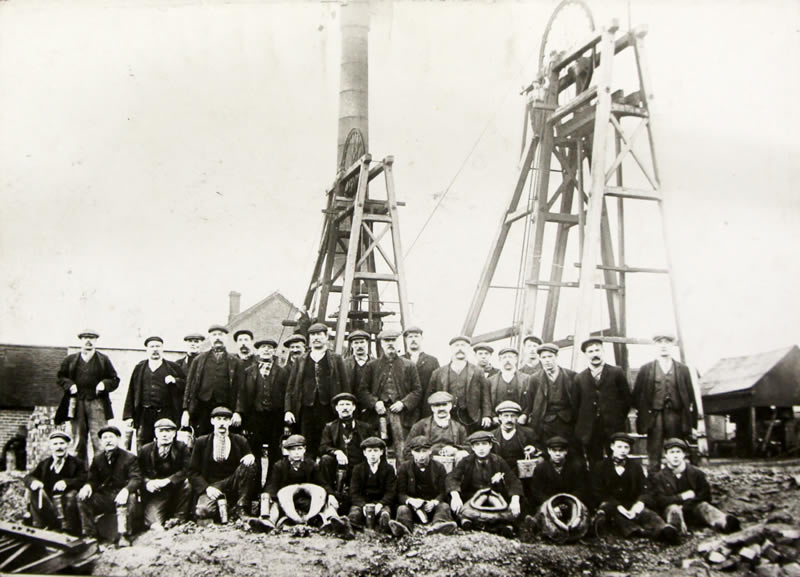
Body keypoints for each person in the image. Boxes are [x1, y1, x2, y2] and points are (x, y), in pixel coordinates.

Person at [258, 435, 353, 538]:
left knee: (326, 502)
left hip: (307, 501)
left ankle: (332, 521)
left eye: (299, 449)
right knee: (273, 503)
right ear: (287, 451)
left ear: (304, 449)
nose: (296, 452)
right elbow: (272, 484)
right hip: (287, 501)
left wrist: (330, 494)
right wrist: (269, 495)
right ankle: (268, 522)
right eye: (293, 450)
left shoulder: (311, 465)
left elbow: (322, 483)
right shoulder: (279, 466)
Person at [591, 432, 679, 543]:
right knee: (616, 516)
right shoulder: (600, 466)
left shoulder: (635, 466)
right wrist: (618, 507)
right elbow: (598, 492)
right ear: (612, 447)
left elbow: (645, 489)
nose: (623, 450)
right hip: (612, 505)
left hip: (631, 503)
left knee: (647, 514)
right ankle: (640, 531)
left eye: (626, 447)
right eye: (619, 447)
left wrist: (639, 503)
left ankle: (664, 529)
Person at [645, 438, 739, 535]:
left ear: (684, 454)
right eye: (672, 452)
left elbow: (705, 495)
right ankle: (674, 530)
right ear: (666, 455)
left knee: (704, 506)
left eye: (678, 452)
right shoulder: (659, 477)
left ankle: (724, 521)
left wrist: (687, 504)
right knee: (673, 509)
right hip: (671, 510)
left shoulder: (696, 473)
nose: (675, 456)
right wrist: (682, 497)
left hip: (693, 509)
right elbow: (660, 500)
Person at [632, 334, 697, 474]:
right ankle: (653, 480)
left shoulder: (682, 369)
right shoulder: (646, 369)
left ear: (672, 345)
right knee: (654, 450)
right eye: (660, 342)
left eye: (667, 342)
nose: (663, 345)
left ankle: (676, 478)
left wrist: (691, 421)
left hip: (675, 415)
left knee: (675, 449)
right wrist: (645, 412)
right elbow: (636, 395)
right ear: (655, 346)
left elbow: (690, 395)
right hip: (654, 416)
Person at [285, 323, 350, 459]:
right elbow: (290, 388)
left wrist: (344, 407)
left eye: (319, 334)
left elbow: (345, 386)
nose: (316, 338)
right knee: (307, 445)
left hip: (329, 409)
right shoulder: (300, 360)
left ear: (326, 337)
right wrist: (288, 410)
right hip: (306, 409)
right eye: (313, 335)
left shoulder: (336, 359)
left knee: (328, 443)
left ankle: (326, 471)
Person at [55, 329, 120, 464]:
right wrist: (69, 385)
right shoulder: (71, 360)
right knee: (78, 440)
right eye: (85, 338)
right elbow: (60, 377)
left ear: (96, 341)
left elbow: (114, 379)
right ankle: (79, 470)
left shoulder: (103, 360)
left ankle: (101, 470)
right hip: (76, 403)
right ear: (81, 340)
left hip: (97, 403)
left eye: (92, 338)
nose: (88, 341)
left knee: (100, 438)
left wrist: (104, 384)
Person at [446, 430, 523, 538]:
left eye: (484, 444)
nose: (481, 448)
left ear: (490, 445)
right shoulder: (466, 461)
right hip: (472, 498)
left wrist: (515, 500)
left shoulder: (498, 461)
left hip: (494, 498)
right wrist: (455, 496)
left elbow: (513, 481)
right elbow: (452, 477)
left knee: (516, 504)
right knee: (456, 505)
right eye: (477, 445)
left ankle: (506, 525)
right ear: (473, 448)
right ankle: (468, 521)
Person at [358, 329, 422, 459]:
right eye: (387, 341)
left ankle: (402, 470)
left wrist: (403, 403)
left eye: (393, 340)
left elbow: (417, 390)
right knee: (378, 449)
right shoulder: (372, 366)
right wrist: (375, 403)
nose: (390, 343)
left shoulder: (409, 365)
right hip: (378, 415)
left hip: (402, 415)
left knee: (402, 450)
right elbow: (362, 390)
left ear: (398, 343)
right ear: (381, 344)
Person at [236, 337, 290, 485]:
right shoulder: (248, 372)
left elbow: (287, 394)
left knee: (275, 452)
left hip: (275, 417)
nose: (266, 350)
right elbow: (242, 394)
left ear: (274, 351)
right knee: (254, 450)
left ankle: (271, 486)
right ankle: (254, 486)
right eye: (263, 347)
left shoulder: (282, 372)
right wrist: (240, 413)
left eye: (269, 347)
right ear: (258, 351)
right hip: (255, 417)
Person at [189, 407, 257, 523]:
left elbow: (249, 467)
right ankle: (225, 507)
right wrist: (207, 488)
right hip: (212, 486)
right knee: (203, 511)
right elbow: (192, 472)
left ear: (230, 422)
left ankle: (241, 507)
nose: (222, 423)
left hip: (233, 483)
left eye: (225, 419)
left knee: (250, 465)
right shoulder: (201, 442)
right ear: (212, 421)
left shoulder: (240, 441)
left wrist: (250, 456)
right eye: (218, 419)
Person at [77, 426, 142, 547]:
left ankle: (124, 535)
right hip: (105, 496)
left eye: (111, 437)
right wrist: (88, 486)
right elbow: (93, 479)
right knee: (82, 498)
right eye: (105, 438)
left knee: (131, 498)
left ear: (118, 439)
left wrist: (126, 490)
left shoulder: (129, 458)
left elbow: (136, 478)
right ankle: (90, 535)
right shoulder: (98, 459)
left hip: (122, 495)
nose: (108, 440)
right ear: (101, 441)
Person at [574, 338, 632, 467]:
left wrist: (617, 417)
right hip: (591, 429)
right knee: (594, 462)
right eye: (590, 351)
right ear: (585, 354)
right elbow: (576, 405)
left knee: (616, 459)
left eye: (597, 350)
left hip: (613, 426)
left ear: (603, 351)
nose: (595, 354)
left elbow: (626, 399)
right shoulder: (579, 378)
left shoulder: (616, 372)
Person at [123, 336, 186, 450]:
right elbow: (131, 391)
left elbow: (186, 385)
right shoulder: (140, 368)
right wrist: (128, 416)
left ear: (162, 348)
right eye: (152, 347)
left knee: (166, 444)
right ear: (147, 349)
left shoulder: (173, 367)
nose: (155, 349)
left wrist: (175, 381)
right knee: (143, 446)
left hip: (166, 413)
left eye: (158, 346)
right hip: (144, 414)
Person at [182, 325, 244, 436]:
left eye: (220, 335)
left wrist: (237, 412)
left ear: (226, 338)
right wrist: (186, 410)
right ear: (210, 338)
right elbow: (189, 386)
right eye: (214, 335)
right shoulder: (199, 360)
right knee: (202, 438)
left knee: (225, 437)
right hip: (203, 408)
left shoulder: (236, 362)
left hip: (226, 407)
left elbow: (241, 389)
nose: (217, 337)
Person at [391, 435, 457, 537]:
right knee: (402, 509)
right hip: (413, 508)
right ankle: (404, 528)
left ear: (430, 451)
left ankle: (438, 525)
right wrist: (411, 501)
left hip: (432, 508)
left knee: (444, 506)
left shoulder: (439, 467)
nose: (421, 455)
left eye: (424, 451)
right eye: (417, 451)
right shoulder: (404, 468)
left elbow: (442, 492)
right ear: (412, 452)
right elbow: (400, 493)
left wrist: (434, 502)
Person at [318, 392, 374, 514]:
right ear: (337, 408)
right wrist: (336, 452)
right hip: (338, 469)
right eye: (341, 405)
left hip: (359, 468)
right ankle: (330, 495)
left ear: (353, 407)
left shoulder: (365, 428)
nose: (345, 408)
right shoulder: (330, 427)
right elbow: (323, 447)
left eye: (348, 404)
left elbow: (374, 446)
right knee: (325, 459)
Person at [24, 431, 85, 535]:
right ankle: (38, 526)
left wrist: (66, 482)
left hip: (68, 507)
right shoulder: (45, 464)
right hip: (49, 505)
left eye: (62, 443)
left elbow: (84, 478)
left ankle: (68, 530)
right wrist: (34, 482)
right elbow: (28, 477)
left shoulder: (77, 463)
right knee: (35, 491)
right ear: (50, 446)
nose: (59, 447)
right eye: (55, 444)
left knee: (72, 495)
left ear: (67, 445)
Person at [428, 335, 491, 434]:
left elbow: (485, 396)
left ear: (468, 349)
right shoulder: (438, 373)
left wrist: (486, 415)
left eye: (463, 345)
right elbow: (430, 396)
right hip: (447, 415)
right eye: (457, 345)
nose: (460, 348)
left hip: (470, 417)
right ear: (451, 349)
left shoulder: (478, 371)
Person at [137, 418, 192, 531]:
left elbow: (187, 469)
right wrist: (148, 483)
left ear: (174, 433)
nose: (165, 434)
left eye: (168, 431)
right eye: (161, 431)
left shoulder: (181, 447)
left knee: (188, 483)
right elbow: (138, 473)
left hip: (177, 488)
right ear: (155, 433)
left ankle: (179, 519)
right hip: (157, 492)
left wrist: (168, 480)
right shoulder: (145, 450)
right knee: (153, 522)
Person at [528, 343, 578, 444]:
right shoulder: (534, 379)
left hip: (567, 422)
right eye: (544, 357)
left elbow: (577, 400)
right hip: (545, 423)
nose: (547, 360)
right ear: (540, 359)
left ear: (556, 356)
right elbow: (530, 402)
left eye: (550, 356)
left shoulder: (571, 375)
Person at [347, 437, 397, 533]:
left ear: (381, 452)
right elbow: (354, 492)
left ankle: (384, 525)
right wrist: (363, 505)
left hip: (381, 502)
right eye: (369, 451)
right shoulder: (358, 469)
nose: (373, 454)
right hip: (363, 502)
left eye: (375, 451)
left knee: (385, 513)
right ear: (364, 453)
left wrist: (380, 504)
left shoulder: (388, 469)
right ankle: (349, 527)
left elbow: (391, 492)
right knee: (354, 513)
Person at [529, 436, 590, 512]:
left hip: (572, 503)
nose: (557, 454)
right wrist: (552, 506)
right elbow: (537, 492)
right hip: (548, 504)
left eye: (561, 450)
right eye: (554, 451)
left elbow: (581, 489)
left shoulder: (576, 467)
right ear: (549, 451)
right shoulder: (541, 468)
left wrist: (568, 503)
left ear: (566, 451)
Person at [404, 392, 469, 461]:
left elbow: (468, 448)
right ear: (432, 408)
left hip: (452, 462)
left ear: (450, 406)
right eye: (437, 405)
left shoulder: (459, 427)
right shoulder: (420, 425)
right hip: (429, 462)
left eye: (444, 404)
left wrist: (455, 449)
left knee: (462, 454)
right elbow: (407, 450)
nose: (441, 408)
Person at [489, 401, 538, 475]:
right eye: (506, 416)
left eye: (513, 416)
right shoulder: (491, 435)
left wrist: (534, 450)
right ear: (500, 417)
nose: (509, 419)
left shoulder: (528, 433)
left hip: (522, 475)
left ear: (517, 417)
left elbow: (541, 450)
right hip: (499, 474)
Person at [401, 326, 440, 418]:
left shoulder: (432, 361)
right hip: (406, 409)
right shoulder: (400, 360)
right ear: (406, 340)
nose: (413, 339)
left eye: (416, 336)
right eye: (410, 337)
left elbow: (438, 385)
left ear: (421, 338)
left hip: (426, 407)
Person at [487, 348, 532, 425]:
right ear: (499, 360)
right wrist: (493, 417)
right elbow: (487, 402)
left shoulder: (527, 379)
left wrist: (524, 415)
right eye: (504, 357)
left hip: (520, 421)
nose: (507, 360)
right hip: (497, 422)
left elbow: (531, 401)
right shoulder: (490, 381)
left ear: (516, 359)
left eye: (510, 357)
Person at [343, 330, 374, 395]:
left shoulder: (375, 363)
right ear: (352, 345)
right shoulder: (344, 364)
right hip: (351, 400)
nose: (359, 346)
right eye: (356, 343)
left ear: (367, 343)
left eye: (362, 342)